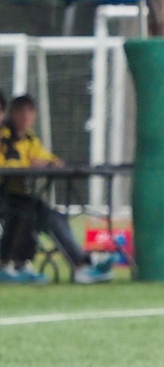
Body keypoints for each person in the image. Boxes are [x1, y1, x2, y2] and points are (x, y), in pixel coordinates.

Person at [0, 95, 113, 285]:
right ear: (13, 113)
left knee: (46, 213)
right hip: (7, 197)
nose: (25, 117)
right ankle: (15, 264)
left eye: (30, 112)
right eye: (21, 112)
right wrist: (27, 164)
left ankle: (81, 264)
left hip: (14, 196)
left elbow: (46, 158)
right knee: (26, 210)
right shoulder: (4, 137)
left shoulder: (28, 138)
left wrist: (48, 163)